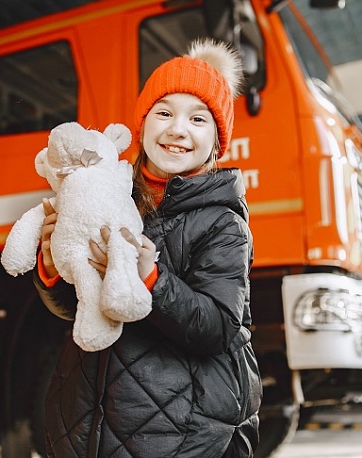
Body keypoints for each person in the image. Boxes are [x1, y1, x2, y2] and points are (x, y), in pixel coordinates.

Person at [34, 38, 262, 457]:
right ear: (142, 124)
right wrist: (51, 266)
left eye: (198, 118)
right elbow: (79, 304)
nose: (178, 129)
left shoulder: (223, 223)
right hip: (91, 422)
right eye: (164, 112)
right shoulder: (109, 195)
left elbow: (216, 329)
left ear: (216, 142)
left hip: (182, 434)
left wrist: (150, 279)